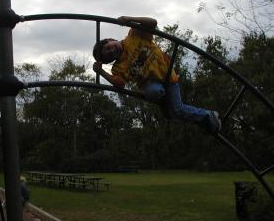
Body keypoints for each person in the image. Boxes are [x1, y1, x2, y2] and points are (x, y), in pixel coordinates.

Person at [92, 16, 221, 135]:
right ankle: (169, 106)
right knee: (155, 93)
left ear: (110, 40)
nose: (112, 51)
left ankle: (208, 116)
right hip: (152, 85)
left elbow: (153, 23)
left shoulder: (133, 36)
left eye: (109, 47)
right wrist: (102, 72)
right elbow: (120, 84)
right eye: (110, 55)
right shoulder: (119, 67)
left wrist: (129, 19)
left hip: (168, 76)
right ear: (111, 60)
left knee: (177, 110)